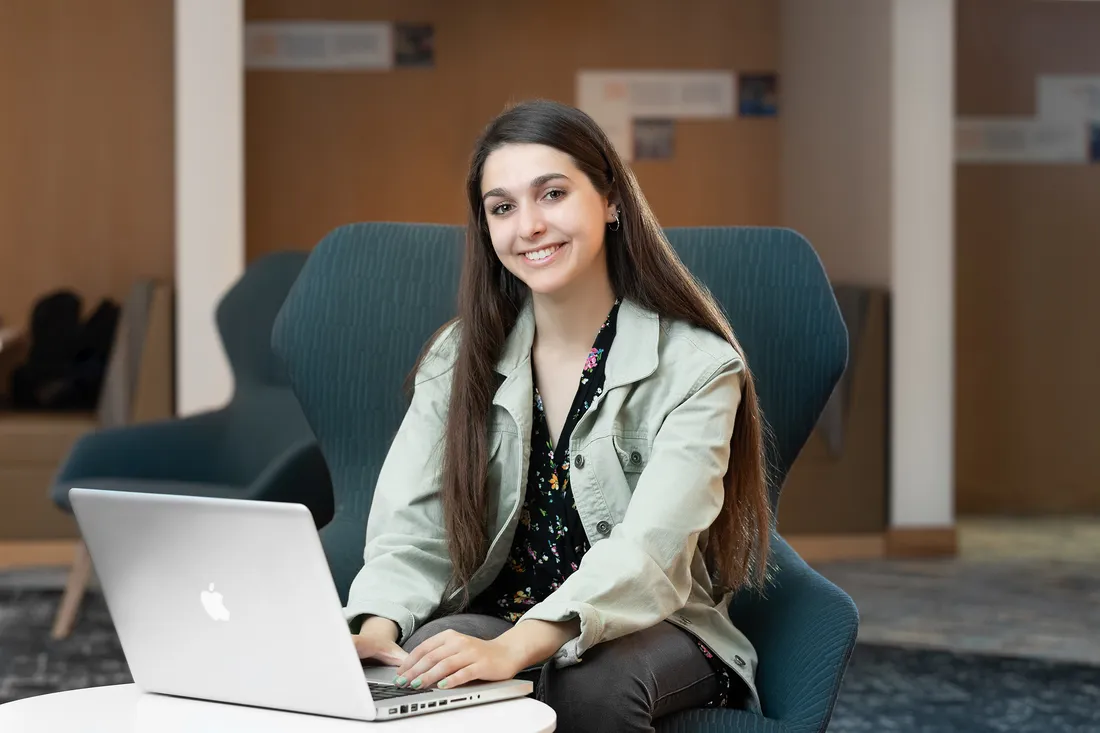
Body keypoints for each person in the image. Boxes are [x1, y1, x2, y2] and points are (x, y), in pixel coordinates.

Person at [344, 98, 772, 731]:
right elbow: (416, 524)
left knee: (591, 686)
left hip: (651, 623)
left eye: (552, 194)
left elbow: (649, 553)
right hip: (502, 610)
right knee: (422, 667)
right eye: (503, 208)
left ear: (611, 200)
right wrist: (376, 627)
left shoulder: (700, 368)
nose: (528, 226)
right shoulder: (457, 357)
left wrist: (516, 647)